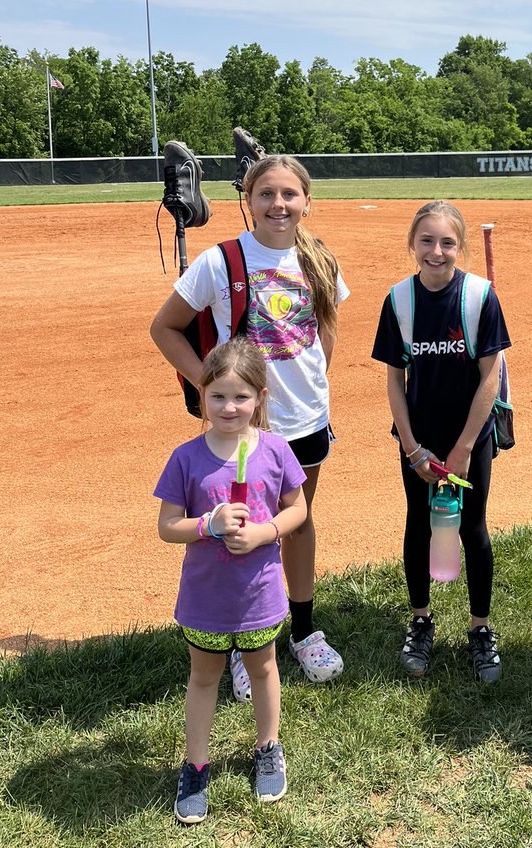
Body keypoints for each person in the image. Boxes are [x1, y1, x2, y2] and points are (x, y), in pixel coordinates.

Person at [151, 154, 348, 693]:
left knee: (297, 521)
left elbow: (325, 331)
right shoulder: (221, 261)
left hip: (305, 419)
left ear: (306, 201)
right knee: (238, 527)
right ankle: (243, 639)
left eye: (289, 195)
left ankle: (303, 630)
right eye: (266, 194)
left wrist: (311, 384)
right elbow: (164, 327)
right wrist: (208, 384)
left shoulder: (320, 261)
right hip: (243, 427)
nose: (278, 205)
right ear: (249, 200)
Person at [155, 338, 308, 823]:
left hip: (259, 595)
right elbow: (167, 527)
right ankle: (196, 764)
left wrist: (265, 532)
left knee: (262, 668)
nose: (229, 406)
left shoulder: (276, 450)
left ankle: (268, 747)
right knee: (204, 677)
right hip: (205, 600)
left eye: (241, 396)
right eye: (218, 395)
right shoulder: (186, 458)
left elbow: (297, 509)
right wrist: (209, 525)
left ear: (260, 397)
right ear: (201, 395)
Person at [371, 201, 511, 683]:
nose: (436, 251)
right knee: (419, 525)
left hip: (471, 437)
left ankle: (480, 628)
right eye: (426, 241)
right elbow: (394, 380)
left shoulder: (478, 296)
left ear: (461, 246)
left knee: (472, 527)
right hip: (419, 439)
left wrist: (466, 446)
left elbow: (490, 377)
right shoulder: (399, 300)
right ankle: (421, 619)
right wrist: (412, 447)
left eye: (447, 242)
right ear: (413, 244)